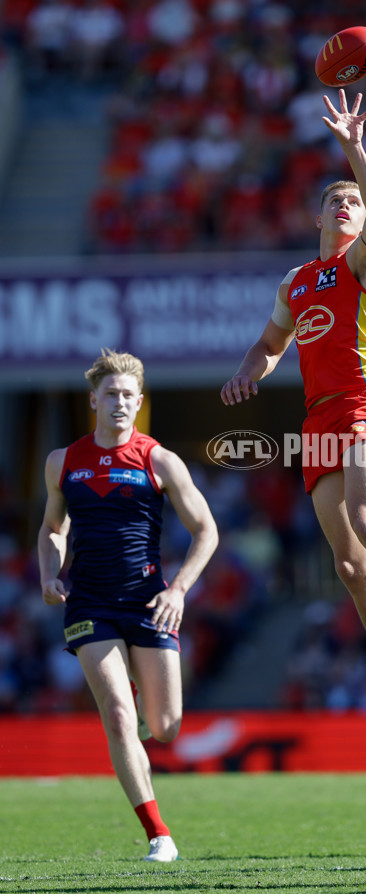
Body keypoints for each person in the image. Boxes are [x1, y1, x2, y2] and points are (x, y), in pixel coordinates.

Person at [220, 89, 366, 760]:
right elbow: (269, 345)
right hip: (319, 421)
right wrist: (248, 371)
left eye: (350, 200)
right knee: (350, 563)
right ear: (319, 214)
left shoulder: (364, 263)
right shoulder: (297, 281)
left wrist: (353, 146)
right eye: (335, 199)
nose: (346, 205)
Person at [38, 349, 218, 862]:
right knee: (117, 715)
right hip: (89, 602)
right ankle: (159, 834)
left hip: (149, 602)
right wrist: (49, 572)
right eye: (111, 395)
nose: (120, 403)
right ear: (93, 399)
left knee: (166, 727)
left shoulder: (158, 459)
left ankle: (145, 707)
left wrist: (179, 588)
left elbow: (206, 530)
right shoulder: (63, 461)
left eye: (129, 396)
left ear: (140, 402)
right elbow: (52, 529)